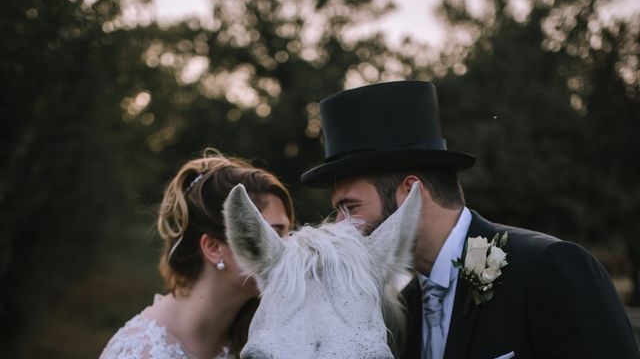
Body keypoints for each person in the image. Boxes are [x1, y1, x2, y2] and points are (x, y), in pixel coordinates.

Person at [300, 80, 639, 359]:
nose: (339, 226)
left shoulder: (549, 270)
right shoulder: (401, 308)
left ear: (410, 193)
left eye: (350, 207)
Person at [101, 150, 294, 359]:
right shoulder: (139, 353)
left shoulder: (261, 336)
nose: (287, 249)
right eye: (274, 234)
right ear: (213, 248)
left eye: (288, 233)